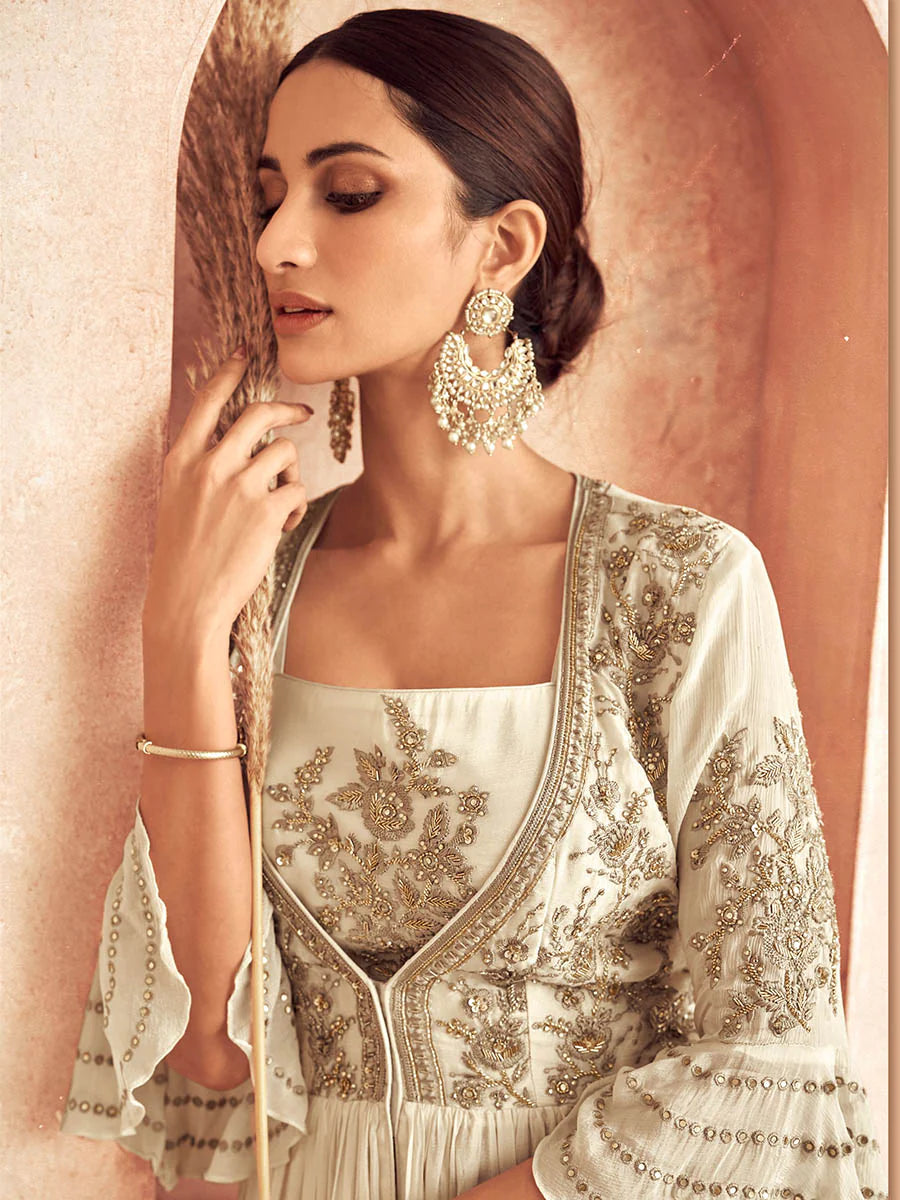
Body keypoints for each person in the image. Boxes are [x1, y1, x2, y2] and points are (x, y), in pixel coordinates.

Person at [59, 9, 887, 1200]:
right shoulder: (257, 595)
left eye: (349, 194)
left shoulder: (677, 586)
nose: (279, 242)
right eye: (268, 197)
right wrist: (182, 631)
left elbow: (775, 1059)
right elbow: (209, 1054)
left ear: (503, 246)